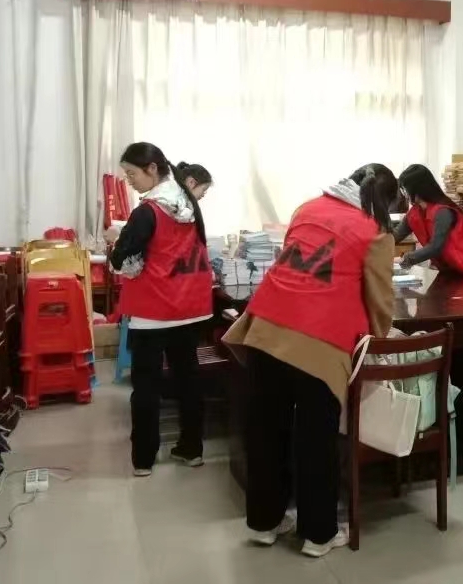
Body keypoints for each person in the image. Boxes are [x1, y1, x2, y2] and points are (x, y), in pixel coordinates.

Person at [224, 165, 399, 558]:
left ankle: (265, 523)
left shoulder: (308, 208)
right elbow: (379, 298)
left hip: (266, 329)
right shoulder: (375, 232)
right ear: (384, 201)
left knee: (266, 431)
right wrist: (379, 338)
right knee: (316, 439)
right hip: (320, 341)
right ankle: (318, 535)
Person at [109, 144, 214, 478]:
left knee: (147, 385)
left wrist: (116, 244)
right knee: (188, 380)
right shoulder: (189, 205)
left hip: (153, 310)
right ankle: (191, 449)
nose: (130, 181)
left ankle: (144, 458)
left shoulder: (149, 211)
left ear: (152, 169)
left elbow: (121, 259)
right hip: (190, 306)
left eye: (132, 174)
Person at [393, 164, 463, 280]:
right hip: (450, 271)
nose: (404, 195)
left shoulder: (443, 212)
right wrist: (377, 242)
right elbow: (395, 235)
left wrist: (405, 259)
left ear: (417, 189)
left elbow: (435, 247)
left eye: (405, 190)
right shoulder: (414, 213)